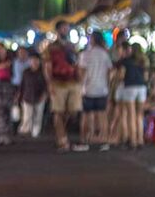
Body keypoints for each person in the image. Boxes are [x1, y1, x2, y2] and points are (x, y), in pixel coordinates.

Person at [44, 21, 85, 152]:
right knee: (58, 111)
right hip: (57, 82)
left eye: (67, 28)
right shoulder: (51, 48)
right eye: (63, 28)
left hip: (73, 82)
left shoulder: (72, 46)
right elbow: (47, 67)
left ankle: (61, 135)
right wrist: (49, 83)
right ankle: (62, 139)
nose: (65, 31)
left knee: (72, 111)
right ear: (58, 31)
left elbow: (77, 63)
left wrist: (80, 79)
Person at [78, 31, 113, 150]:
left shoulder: (85, 55)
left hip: (88, 89)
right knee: (102, 115)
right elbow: (109, 73)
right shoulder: (105, 54)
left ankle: (85, 141)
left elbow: (81, 73)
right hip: (102, 89)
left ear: (92, 40)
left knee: (87, 116)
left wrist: (80, 87)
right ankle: (104, 141)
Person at [116, 43, 148, 150]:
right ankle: (140, 140)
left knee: (131, 115)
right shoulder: (143, 62)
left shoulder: (126, 61)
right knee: (139, 115)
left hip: (130, 87)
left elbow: (121, 75)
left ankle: (133, 141)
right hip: (142, 87)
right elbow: (146, 77)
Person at [18, 51, 47, 138]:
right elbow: (22, 84)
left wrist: (44, 95)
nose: (34, 62)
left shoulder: (43, 72)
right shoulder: (26, 72)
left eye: (36, 60)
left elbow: (46, 85)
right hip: (27, 96)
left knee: (38, 115)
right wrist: (20, 95)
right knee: (27, 115)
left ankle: (36, 131)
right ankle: (26, 129)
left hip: (39, 96)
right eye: (32, 60)